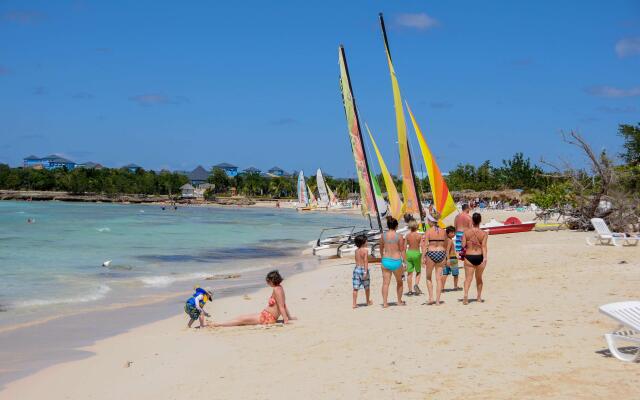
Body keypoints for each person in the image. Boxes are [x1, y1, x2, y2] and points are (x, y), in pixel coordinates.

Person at [214, 270, 295, 326]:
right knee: (242, 317)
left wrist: (286, 320)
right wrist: (289, 317)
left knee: (242, 320)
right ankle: (221, 323)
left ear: (272, 280)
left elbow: (281, 306)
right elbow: (283, 304)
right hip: (266, 315)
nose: (267, 283)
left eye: (268, 281)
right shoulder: (279, 288)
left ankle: (219, 324)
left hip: (267, 318)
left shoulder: (277, 290)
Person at [462, 213, 488, 305]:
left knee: (468, 279)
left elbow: (463, 245)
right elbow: (484, 247)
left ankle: (465, 295)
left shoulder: (466, 232)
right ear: (480, 221)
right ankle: (479, 297)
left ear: (472, 221)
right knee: (479, 278)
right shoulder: (484, 233)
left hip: (469, 256)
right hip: (480, 256)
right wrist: (485, 258)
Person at [379, 216, 406, 308]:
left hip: (386, 260)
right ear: (396, 226)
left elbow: (381, 248)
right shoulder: (399, 236)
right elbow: (402, 250)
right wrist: (405, 262)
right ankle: (399, 301)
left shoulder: (383, 236)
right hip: (396, 260)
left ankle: (385, 303)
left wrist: (382, 258)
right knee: (400, 282)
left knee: (385, 283)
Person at [423, 213, 447, 305]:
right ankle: (437, 301)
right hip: (441, 253)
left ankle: (431, 298)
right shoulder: (443, 231)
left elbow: (425, 246)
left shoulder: (428, 231)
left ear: (430, 221)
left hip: (431, 253)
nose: (427, 222)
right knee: (438, 278)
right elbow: (445, 244)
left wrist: (422, 257)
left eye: (428, 220)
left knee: (428, 277)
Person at [352, 234, 373, 308]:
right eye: (366, 241)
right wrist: (365, 271)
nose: (367, 242)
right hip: (363, 269)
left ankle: (354, 303)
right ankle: (367, 301)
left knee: (355, 288)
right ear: (363, 242)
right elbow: (365, 261)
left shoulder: (356, 251)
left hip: (356, 269)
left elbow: (357, 260)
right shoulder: (365, 251)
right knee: (367, 287)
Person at [405, 220, 423, 296]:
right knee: (418, 271)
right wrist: (423, 256)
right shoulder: (419, 236)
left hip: (409, 253)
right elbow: (422, 246)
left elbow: (404, 246)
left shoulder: (407, 235)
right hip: (416, 253)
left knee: (409, 273)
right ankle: (416, 284)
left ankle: (409, 290)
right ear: (416, 227)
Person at [442, 226, 461, 291]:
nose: (454, 234)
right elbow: (447, 250)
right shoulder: (450, 240)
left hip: (445, 258)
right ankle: (455, 286)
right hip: (452, 258)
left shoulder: (444, 240)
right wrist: (448, 259)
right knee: (456, 274)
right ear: (448, 233)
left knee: (445, 273)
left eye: (454, 232)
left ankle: (442, 287)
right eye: (452, 233)